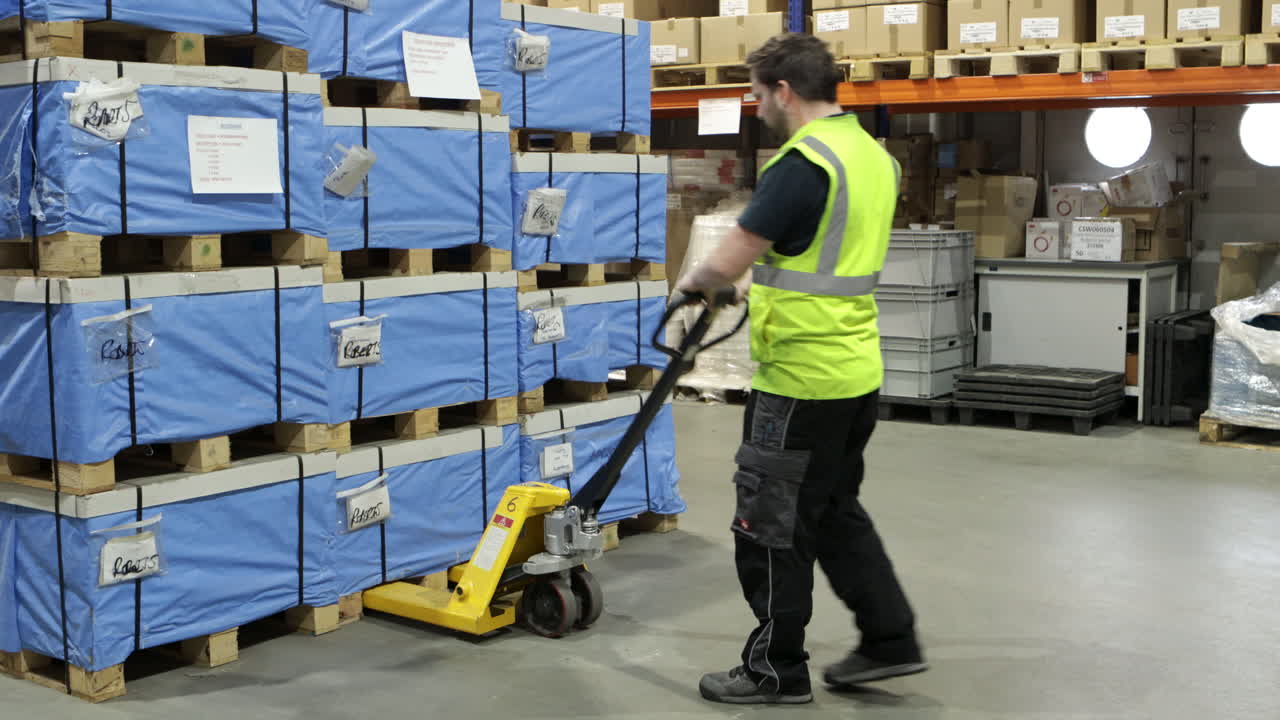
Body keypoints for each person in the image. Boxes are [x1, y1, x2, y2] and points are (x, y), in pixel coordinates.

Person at [676, 33, 927, 706]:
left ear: (784, 91)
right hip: (855, 372)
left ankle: (773, 669)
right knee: (836, 509)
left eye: (757, 94)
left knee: (769, 527)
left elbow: (729, 257)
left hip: (797, 379)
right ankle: (891, 638)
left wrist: (694, 286)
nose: (756, 107)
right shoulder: (871, 157)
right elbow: (826, 251)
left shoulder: (802, 162)